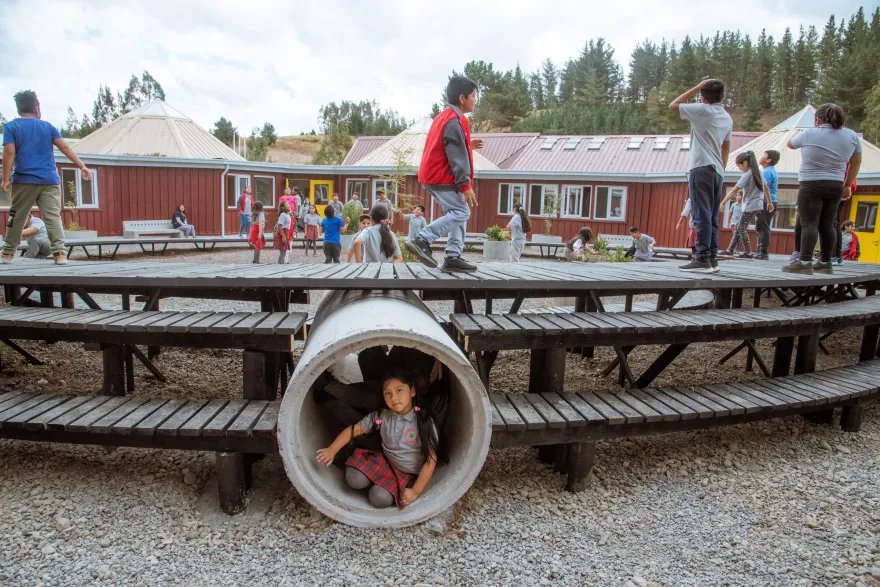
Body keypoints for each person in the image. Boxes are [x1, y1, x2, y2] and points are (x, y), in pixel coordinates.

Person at [316, 368, 439, 509]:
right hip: (385, 461)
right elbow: (354, 430)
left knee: (379, 499)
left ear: (412, 391)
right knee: (354, 479)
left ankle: (380, 485)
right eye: (388, 393)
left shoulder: (423, 421)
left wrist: (416, 491)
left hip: (407, 472)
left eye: (399, 390)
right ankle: (376, 480)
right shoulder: (382, 416)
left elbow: (431, 459)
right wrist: (332, 449)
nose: (393, 398)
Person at [2, 90, 91, 265]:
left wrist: (5, 178)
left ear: (18, 108)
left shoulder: (11, 127)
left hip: (24, 180)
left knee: (17, 216)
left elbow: (9, 152)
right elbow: (65, 148)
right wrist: (81, 166)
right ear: (37, 107)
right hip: (49, 180)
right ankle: (60, 254)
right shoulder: (48, 127)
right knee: (52, 217)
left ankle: (8, 253)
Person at [405, 76, 483, 273]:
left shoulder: (444, 116)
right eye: (473, 96)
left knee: (457, 212)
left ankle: (452, 257)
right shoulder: (455, 121)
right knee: (462, 212)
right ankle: (422, 239)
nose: (475, 100)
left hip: (432, 175)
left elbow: (448, 145)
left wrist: (468, 146)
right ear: (462, 98)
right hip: (442, 176)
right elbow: (456, 156)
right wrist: (465, 185)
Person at [783, 103, 862, 275]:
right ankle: (826, 262)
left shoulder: (810, 133)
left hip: (811, 183)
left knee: (809, 223)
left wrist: (813, 129)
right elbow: (856, 161)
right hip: (835, 184)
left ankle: (804, 262)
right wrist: (847, 184)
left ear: (817, 119)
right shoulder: (851, 136)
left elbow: (790, 144)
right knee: (828, 223)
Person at [670, 79, 733, 273]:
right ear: (722, 96)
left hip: (701, 167)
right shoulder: (727, 117)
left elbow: (673, 105)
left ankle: (702, 258)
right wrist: (721, 169)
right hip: (717, 170)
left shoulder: (702, 111)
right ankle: (712, 259)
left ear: (703, 98)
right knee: (712, 216)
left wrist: (697, 86)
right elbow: (726, 147)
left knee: (701, 213)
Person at [718, 151, 774, 259]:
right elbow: (766, 187)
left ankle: (748, 253)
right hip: (756, 204)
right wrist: (770, 202)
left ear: (745, 163)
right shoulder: (758, 172)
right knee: (739, 226)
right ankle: (730, 250)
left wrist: (723, 202)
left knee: (741, 227)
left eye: (739, 166)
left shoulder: (748, 174)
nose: (739, 168)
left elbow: (734, 190)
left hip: (751, 204)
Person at [753, 150, 780, 260]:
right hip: (770, 202)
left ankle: (763, 252)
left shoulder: (766, 172)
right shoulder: (769, 170)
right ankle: (760, 250)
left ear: (769, 160)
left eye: (764, 155)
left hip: (766, 202)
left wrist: (763, 202)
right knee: (762, 226)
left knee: (762, 226)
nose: (761, 156)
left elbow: (765, 188)